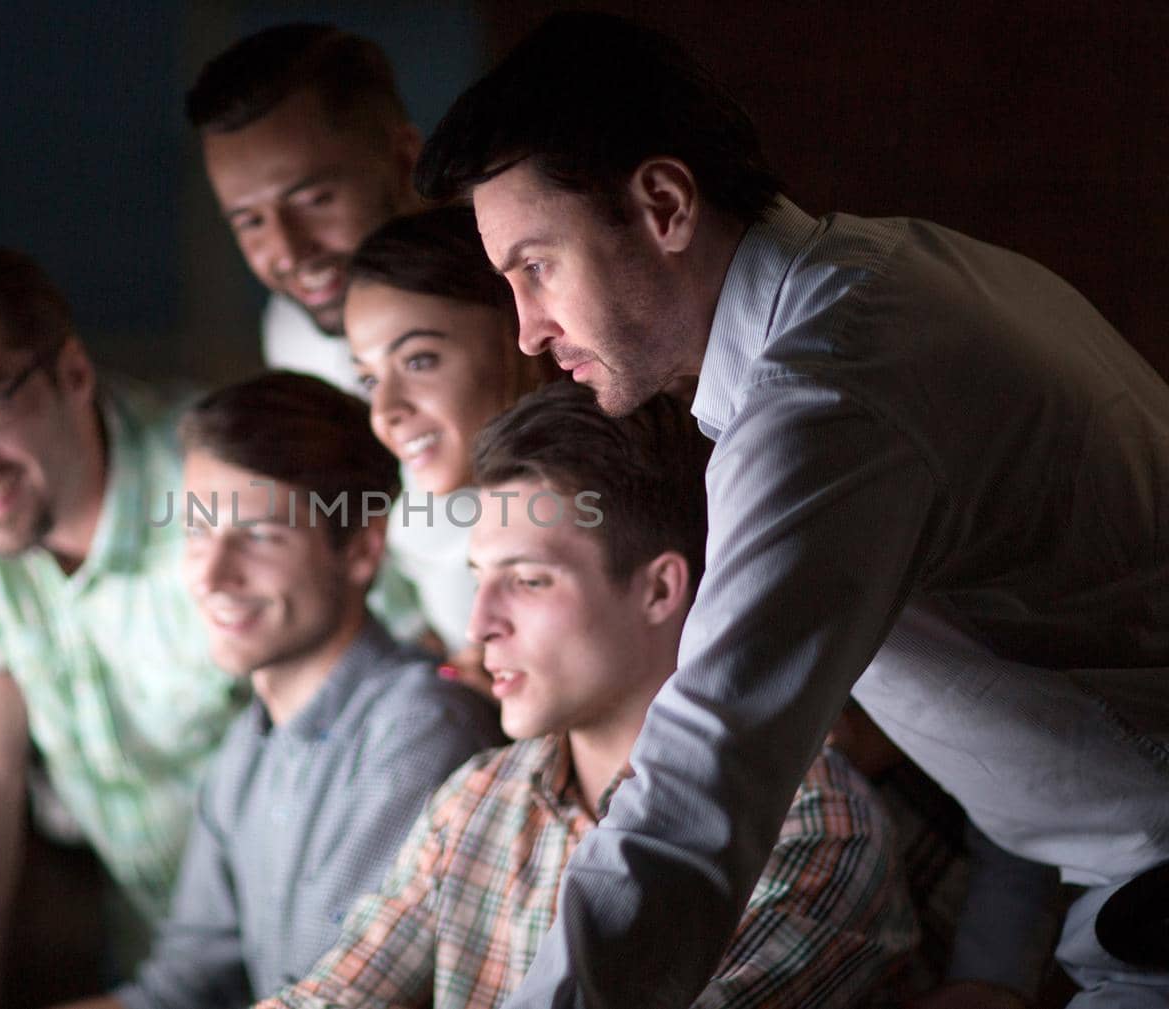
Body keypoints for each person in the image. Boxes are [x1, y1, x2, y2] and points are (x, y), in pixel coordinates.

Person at [415, 12, 1169, 1007]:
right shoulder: (892, 276)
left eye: (537, 266)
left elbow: (699, 790)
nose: (528, 327)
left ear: (663, 203)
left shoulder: (826, 399)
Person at [259, 385, 917, 1009]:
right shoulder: (476, 800)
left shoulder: (812, 829)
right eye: (480, 578)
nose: (478, 623)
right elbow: (332, 994)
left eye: (529, 579)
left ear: (660, 590)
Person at [0, 246, 246, 1009]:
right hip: (157, 970)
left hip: (326, 964)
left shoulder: (220, 481)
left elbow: (391, 690)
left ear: (73, 373)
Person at [52, 372, 503, 1009]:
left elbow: (334, 997)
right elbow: (181, 989)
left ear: (361, 550)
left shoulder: (422, 730)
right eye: (198, 532)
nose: (210, 576)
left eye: (260, 536)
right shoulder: (248, 747)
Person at [343, 204, 554, 658]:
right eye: (369, 380)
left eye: (419, 361)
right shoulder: (417, 525)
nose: (386, 410)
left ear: (519, 327)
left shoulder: (598, 512)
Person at [188, 23, 421, 392]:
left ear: (406, 161)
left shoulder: (527, 299)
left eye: (314, 201)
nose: (288, 252)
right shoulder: (294, 335)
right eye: (250, 222)